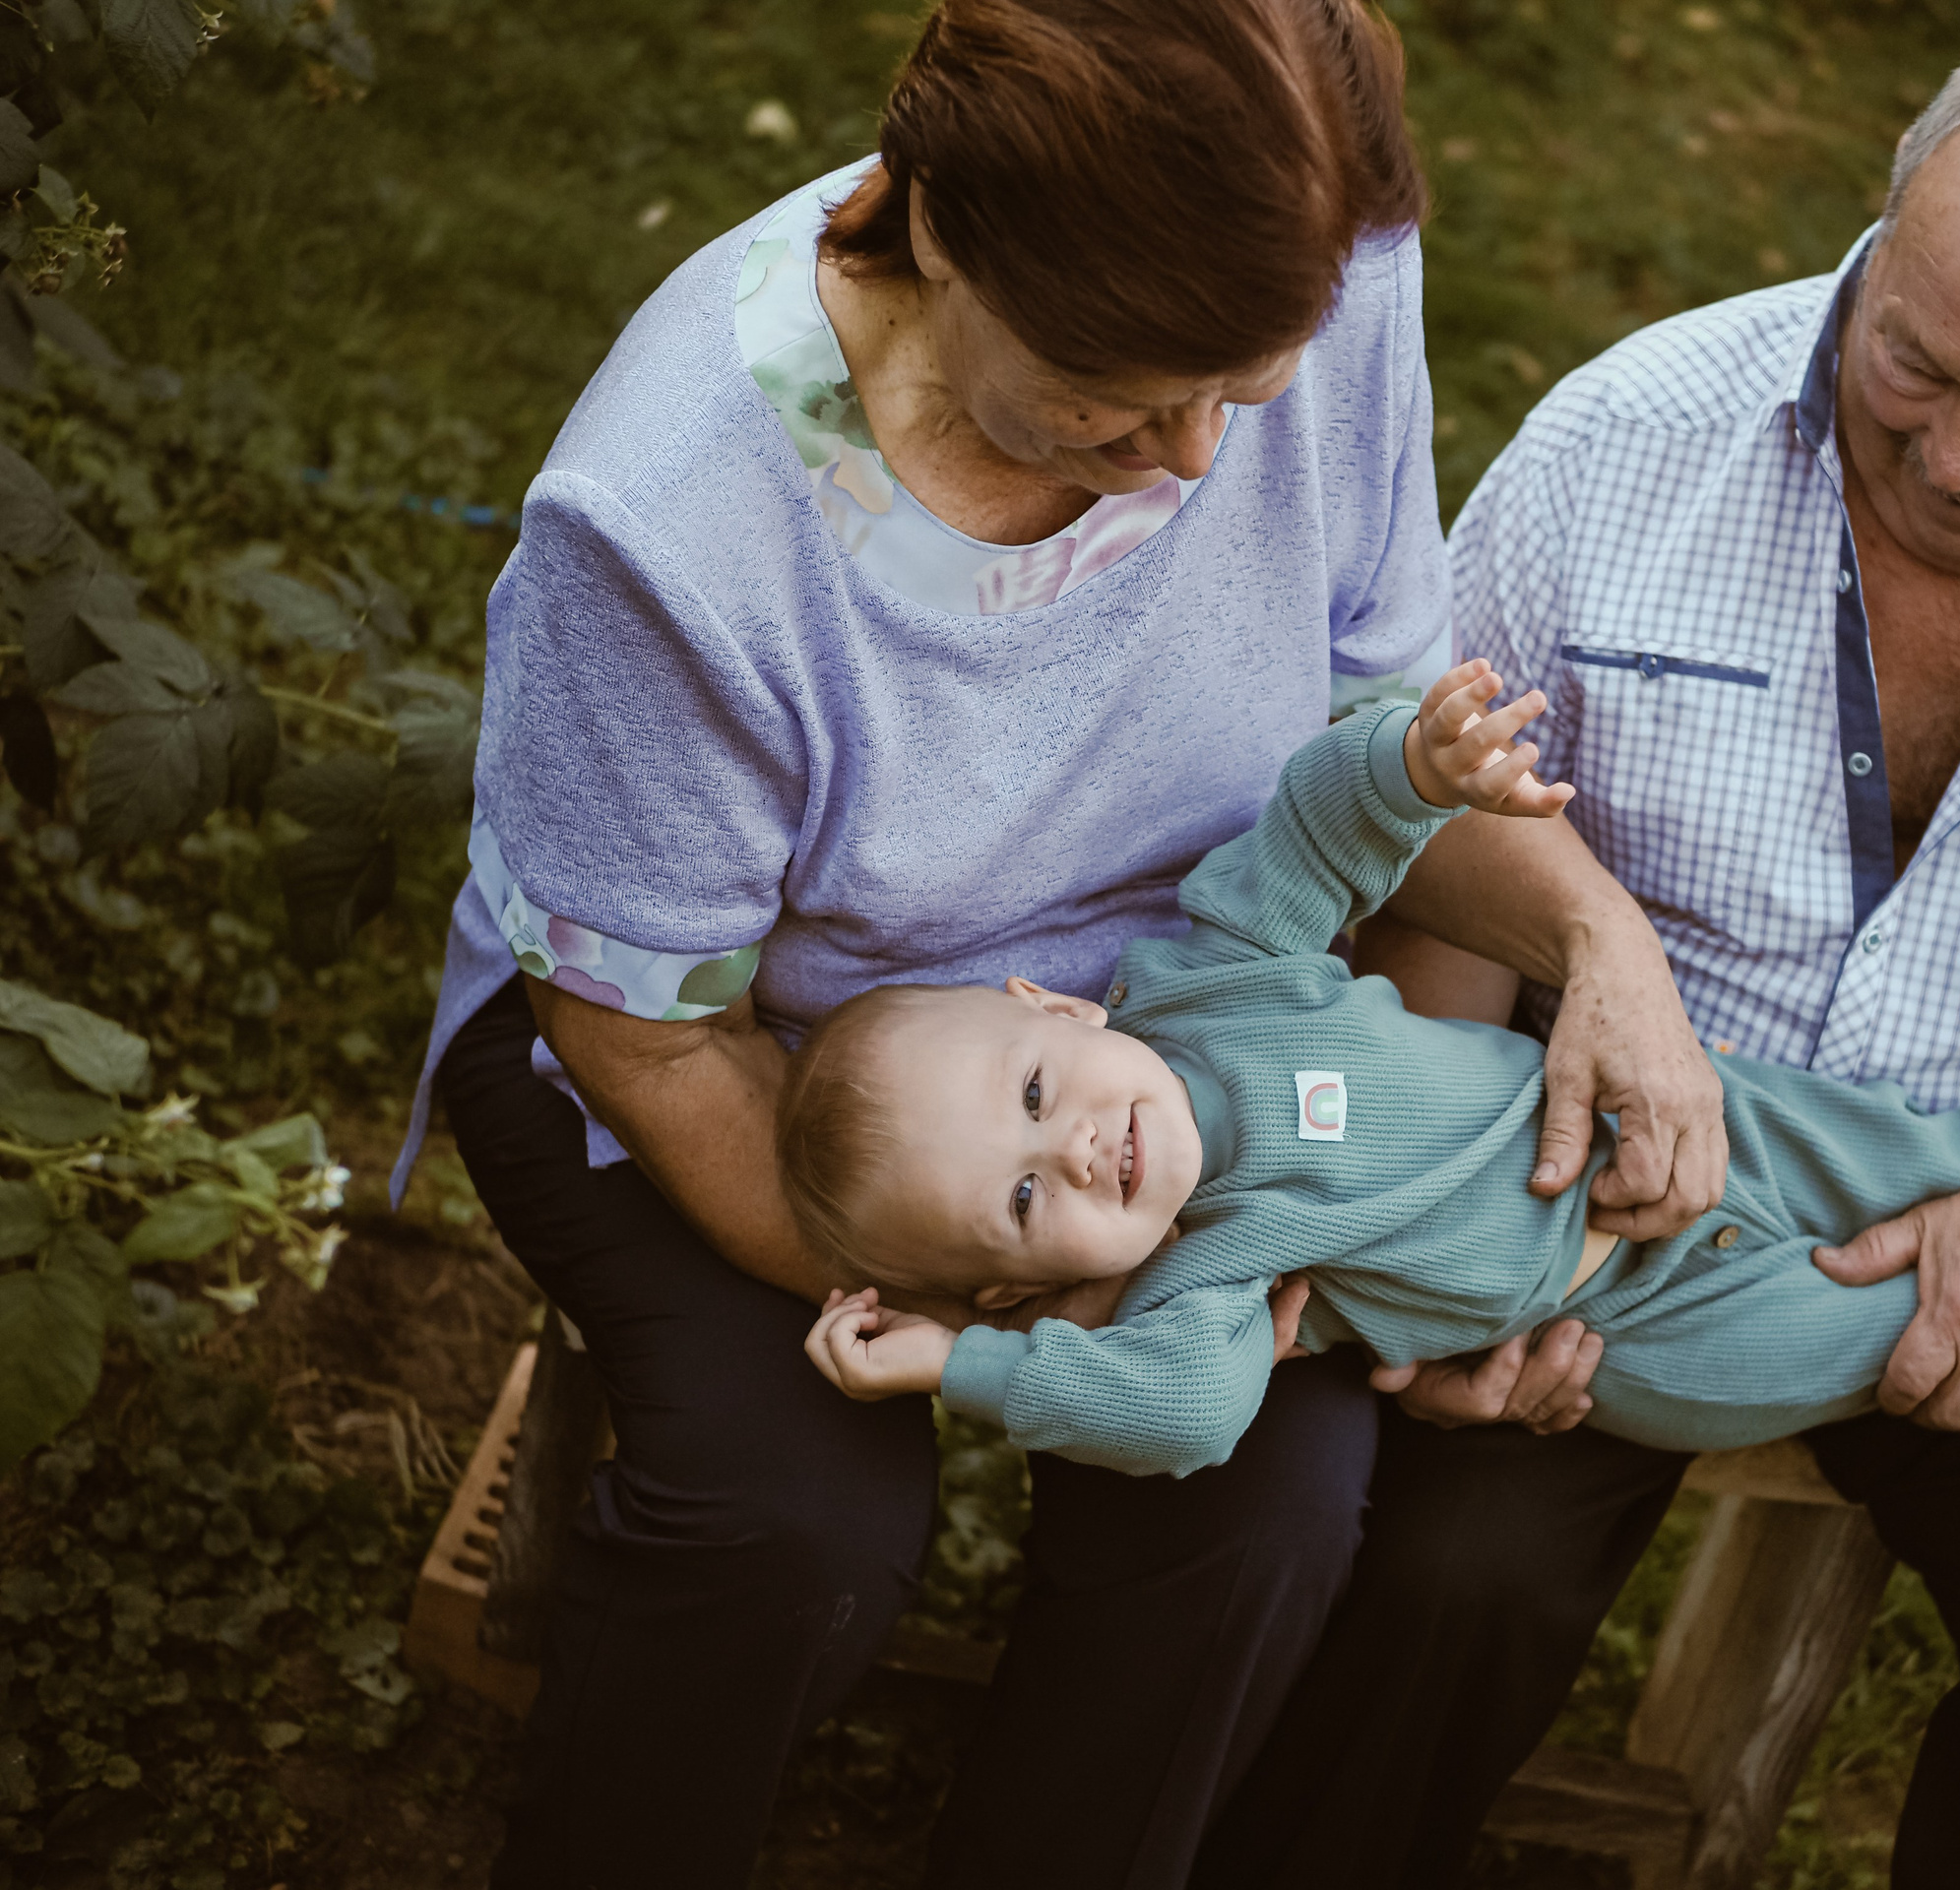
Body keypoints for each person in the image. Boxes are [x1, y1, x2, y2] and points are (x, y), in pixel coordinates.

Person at [393, 4, 1730, 1885]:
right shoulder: (667, 529)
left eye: (1241, 391)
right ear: (941, 230)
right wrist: (1021, 1306)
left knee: (1264, 1514)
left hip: (1170, 1024)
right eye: (1118, 393)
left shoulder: (1323, 276)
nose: (1196, 459)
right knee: (792, 1529)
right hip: (736, 1067)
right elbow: (648, 1037)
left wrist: (1595, 951)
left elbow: (1381, 748)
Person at [1194, 14, 1960, 1890]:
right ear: (1890, 210)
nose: (1957, 462)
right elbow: (1427, 815)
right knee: (1421, 1598)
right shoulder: (1630, 434)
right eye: (1914, 366)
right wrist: (1424, 1236)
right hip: (1607, 1200)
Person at [785, 664, 1960, 1480]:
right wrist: (960, 1375)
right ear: (1030, 1291)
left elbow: (1314, 835)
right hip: (1628, 1323)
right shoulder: (1210, 1289)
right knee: (1888, 1331)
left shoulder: (1208, 982)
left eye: (1029, 1101)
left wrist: (1412, 762)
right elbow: (1185, 1421)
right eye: (1021, 1206)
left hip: (1660, 1124)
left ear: (1054, 1009)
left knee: (1909, 1154)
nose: (1076, 1159)